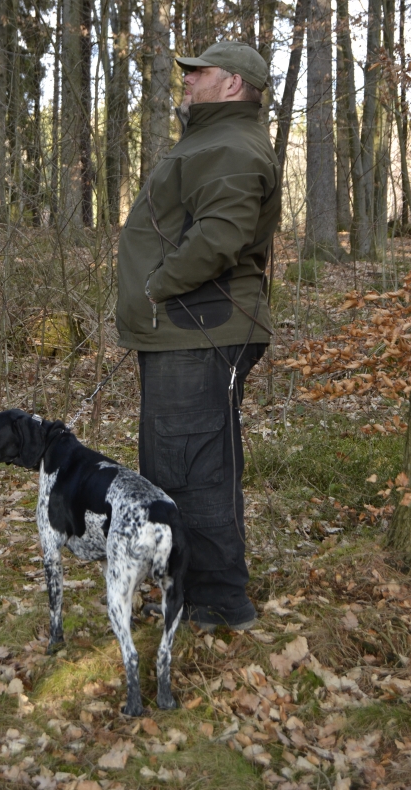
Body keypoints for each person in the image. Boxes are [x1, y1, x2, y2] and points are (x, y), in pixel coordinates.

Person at [116, 41, 281, 632]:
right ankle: (190, 590)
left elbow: (219, 237)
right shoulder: (214, 140)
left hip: (198, 328)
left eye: (198, 72)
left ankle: (217, 601)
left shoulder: (230, 145)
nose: (186, 79)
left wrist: (156, 286)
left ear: (233, 84)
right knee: (176, 464)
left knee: (194, 469)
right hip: (186, 330)